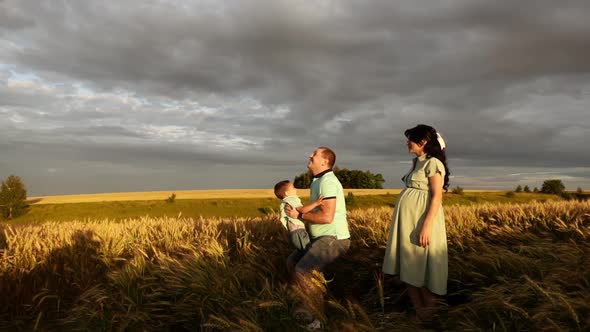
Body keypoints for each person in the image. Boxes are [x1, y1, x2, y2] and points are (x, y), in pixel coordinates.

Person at [382, 124, 450, 314]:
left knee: (422, 269)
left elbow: (437, 196)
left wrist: (426, 227)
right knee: (409, 267)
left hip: (422, 222)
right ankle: (420, 314)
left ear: (423, 142)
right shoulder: (417, 162)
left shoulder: (433, 163)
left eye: (410, 139)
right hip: (408, 222)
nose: (407, 143)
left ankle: (430, 316)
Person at [284, 146, 351, 327]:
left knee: (303, 270)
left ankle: (314, 319)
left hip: (333, 238)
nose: (309, 155)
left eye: (314, 154)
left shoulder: (328, 181)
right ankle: (306, 302)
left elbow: (327, 217)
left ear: (324, 161)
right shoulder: (317, 181)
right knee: (291, 263)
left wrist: (300, 216)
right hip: (320, 238)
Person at [273, 180, 324, 252]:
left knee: (302, 252)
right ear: (287, 193)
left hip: (294, 232)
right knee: (308, 252)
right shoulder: (291, 199)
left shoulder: (285, 202)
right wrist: (316, 203)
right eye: (293, 188)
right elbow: (302, 210)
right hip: (298, 231)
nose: (296, 189)